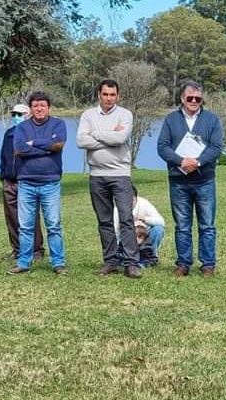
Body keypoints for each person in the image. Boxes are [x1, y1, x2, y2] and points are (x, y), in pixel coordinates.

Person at [157, 80, 223, 278]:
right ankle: (183, 263)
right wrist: (181, 161)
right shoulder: (170, 120)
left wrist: (198, 162)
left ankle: (208, 264)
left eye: (198, 98)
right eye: (190, 98)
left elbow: (216, 147)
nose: (194, 101)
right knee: (182, 225)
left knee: (207, 225)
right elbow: (162, 147)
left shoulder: (212, 120)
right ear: (182, 99)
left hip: (204, 180)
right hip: (179, 181)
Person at [77, 79, 141, 279]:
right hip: (97, 175)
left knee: (126, 218)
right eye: (105, 94)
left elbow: (120, 139)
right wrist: (107, 135)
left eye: (112, 95)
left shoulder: (125, 114)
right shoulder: (88, 115)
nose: (109, 98)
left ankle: (131, 263)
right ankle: (111, 261)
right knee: (104, 220)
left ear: (118, 96)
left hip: (120, 174)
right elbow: (81, 140)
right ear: (99, 95)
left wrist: (94, 135)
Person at [8, 91, 67, 275]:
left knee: (53, 225)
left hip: (51, 183)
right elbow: (19, 149)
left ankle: (58, 263)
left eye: (42, 105)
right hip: (26, 183)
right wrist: (46, 148)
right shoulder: (22, 127)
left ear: (49, 107)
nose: (39, 108)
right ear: (31, 109)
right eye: (35, 106)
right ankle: (24, 262)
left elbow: (58, 145)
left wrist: (33, 143)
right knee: (25, 226)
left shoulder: (59, 124)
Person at [0, 104, 45, 261]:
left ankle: (36, 249)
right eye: (14, 114)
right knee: (11, 216)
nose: (15, 117)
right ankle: (17, 248)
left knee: (31, 216)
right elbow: (3, 157)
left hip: (27, 181)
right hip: (9, 181)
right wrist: (3, 176)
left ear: (27, 115)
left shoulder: (34, 134)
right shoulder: (9, 134)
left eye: (19, 114)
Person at [113, 185, 165, 267]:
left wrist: (145, 219)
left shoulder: (144, 204)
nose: (129, 203)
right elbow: (115, 231)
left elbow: (161, 221)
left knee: (158, 229)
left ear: (136, 198)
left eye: (132, 200)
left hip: (144, 236)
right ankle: (127, 258)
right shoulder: (117, 210)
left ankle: (151, 256)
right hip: (126, 238)